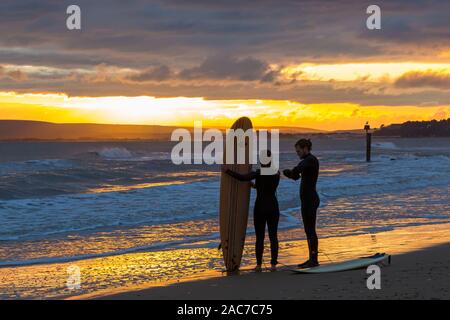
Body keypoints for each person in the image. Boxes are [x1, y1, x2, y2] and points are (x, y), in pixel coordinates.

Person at [222, 150, 280, 272]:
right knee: (273, 236)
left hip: (260, 207)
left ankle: (259, 265)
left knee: (260, 237)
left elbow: (243, 178)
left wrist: (227, 171)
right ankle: (273, 265)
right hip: (273, 207)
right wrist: (255, 186)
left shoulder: (258, 173)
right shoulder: (277, 173)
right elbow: (268, 187)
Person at [283, 139, 320, 268]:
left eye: (298, 151)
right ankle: (311, 258)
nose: (297, 153)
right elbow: (297, 176)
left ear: (305, 148)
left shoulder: (311, 159)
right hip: (307, 200)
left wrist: (292, 171)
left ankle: (314, 260)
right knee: (308, 230)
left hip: (310, 200)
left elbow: (299, 168)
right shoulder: (307, 161)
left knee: (310, 230)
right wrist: (289, 174)